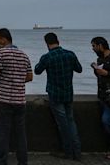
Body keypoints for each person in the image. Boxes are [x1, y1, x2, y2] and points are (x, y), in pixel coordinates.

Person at [34, 32, 82, 160]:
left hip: (55, 95)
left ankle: (68, 152)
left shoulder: (47, 57)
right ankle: (77, 152)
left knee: (63, 125)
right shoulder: (70, 54)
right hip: (68, 93)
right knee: (71, 122)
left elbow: (37, 71)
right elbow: (79, 69)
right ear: (58, 41)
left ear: (46, 43)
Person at [0, 28, 33, 165]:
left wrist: (3, 79)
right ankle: (23, 162)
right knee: (21, 134)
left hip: (4, 101)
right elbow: (30, 77)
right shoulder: (24, 55)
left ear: (4, 39)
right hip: (20, 101)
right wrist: (17, 80)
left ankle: (2, 162)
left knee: (3, 135)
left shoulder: (0, 54)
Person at [90, 36, 110, 160]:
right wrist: (96, 69)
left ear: (100, 45)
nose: (93, 48)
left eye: (94, 46)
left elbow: (107, 74)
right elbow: (100, 75)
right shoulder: (100, 59)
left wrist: (107, 73)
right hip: (103, 95)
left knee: (107, 121)